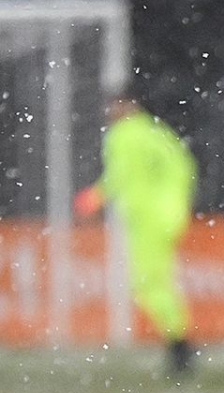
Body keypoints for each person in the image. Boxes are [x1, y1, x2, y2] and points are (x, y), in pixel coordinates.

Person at [75, 94, 198, 374]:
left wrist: (94, 198)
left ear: (128, 106)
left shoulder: (124, 135)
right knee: (158, 282)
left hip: (147, 218)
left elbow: (121, 175)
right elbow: (184, 166)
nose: (111, 111)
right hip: (169, 217)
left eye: (115, 104)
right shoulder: (156, 131)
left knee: (148, 283)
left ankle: (180, 346)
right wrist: (177, 204)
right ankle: (179, 347)